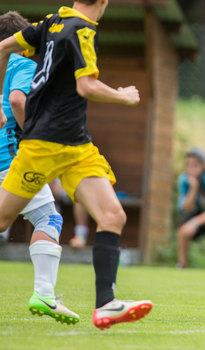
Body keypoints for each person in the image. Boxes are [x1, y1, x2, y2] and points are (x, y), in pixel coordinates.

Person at [0, 0, 152, 330]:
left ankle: (106, 304)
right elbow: (87, 85)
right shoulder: (83, 30)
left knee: (113, 215)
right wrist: (122, 95)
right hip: (43, 145)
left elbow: (2, 48)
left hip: (76, 146)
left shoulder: (52, 22)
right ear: (105, 2)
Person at [0, 11, 79, 325]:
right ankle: (44, 293)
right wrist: (33, 139)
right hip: (10, 161)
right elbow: (19, 101)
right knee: (48, 216)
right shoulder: (21, 63)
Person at [49, 178, 91, 248]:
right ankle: (51, 232)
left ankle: (80, 236)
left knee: (81, 192)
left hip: (79, 187)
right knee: (48, 185)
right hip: (58, 187)